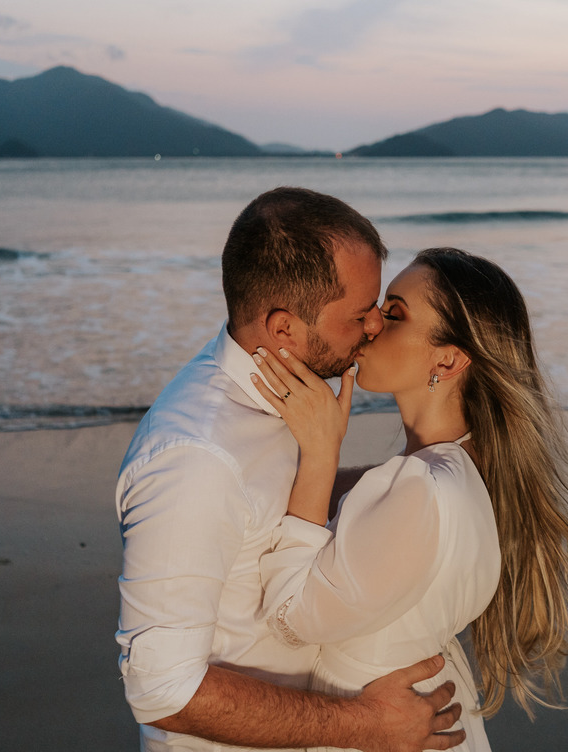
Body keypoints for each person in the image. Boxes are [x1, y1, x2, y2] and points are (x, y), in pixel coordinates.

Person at [115, 189, 466, 752]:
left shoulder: (280, 385)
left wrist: (415, 478)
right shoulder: (195, 460)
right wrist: (369, 725)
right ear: (283, 330)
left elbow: (270, 507)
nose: (376, 326)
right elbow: (164, 691)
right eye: (360, 314)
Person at [250, 247, 568, 751]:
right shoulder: (462, 467)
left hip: (383, 728)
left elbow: (289, 620)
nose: (370, 323)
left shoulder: (421, 489)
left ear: (449, 357)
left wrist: (319, 452)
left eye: (394, 314)